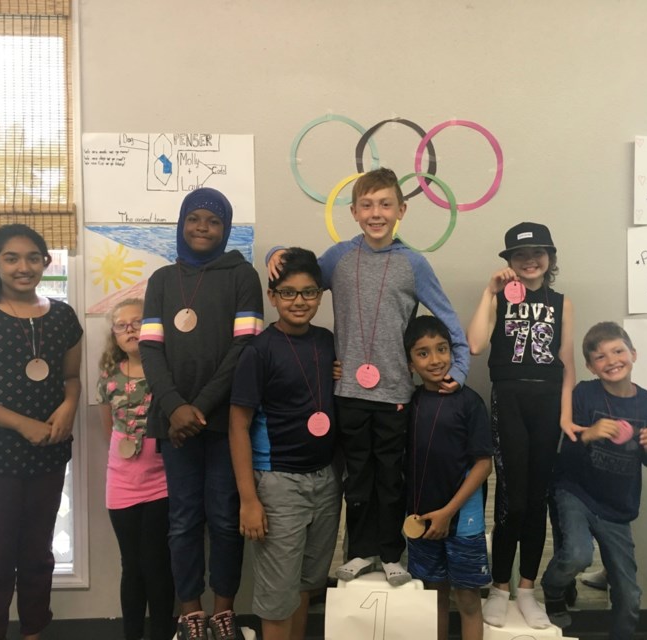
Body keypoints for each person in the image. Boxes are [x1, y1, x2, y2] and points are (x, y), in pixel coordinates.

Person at [267, 168, 470, 586]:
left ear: (401, 209)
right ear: (355, 212)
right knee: (356, 478)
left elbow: (448, 320)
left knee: (390, 478)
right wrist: (275, 251)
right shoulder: (339, 257)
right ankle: (361, 552)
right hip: (348, 392)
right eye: (367, 205)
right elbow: (298, 275)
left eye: (384, 204)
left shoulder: (413, 264)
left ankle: (392, 552)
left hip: (395, 391)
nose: (376, 213)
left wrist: (461, 369)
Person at [140, 187, 264, 640]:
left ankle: (224, 610)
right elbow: (150, 351)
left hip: (225, 421)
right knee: (184, 519)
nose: (202, 228)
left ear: (226, 228)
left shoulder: (242, 276)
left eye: (213, 221)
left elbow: (245, 347)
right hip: (174, 425)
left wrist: (200, 407)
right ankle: (191, 613)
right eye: (194, 219)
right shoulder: (160, 280)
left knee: (225, 515)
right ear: (181, 223)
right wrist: (175, 407)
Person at [0, 224, 83, 640]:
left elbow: (71, 377)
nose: (24, 267)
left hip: (48, 455)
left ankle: (34, 632)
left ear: (46, 263)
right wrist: (21, 424)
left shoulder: (63, 316)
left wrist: (69, 407)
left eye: (33, 257)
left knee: (38, 558)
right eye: (12, 258)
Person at [466, 221, 579, 629]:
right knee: (513, 499)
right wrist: (488, 293)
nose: (530, 261)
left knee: (537, 499)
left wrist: (566, 412)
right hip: (509, 398)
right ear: (510, 260)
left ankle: (527, 589)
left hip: (549, 403)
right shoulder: (500, 298)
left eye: (538, 254)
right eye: (520, 255)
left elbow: (566, 361)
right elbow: (476, 344)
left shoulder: (561, 302)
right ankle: (499, 587)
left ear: (549, 259)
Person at [229, 248, 341, 640]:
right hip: (278, 485)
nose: (299, 301)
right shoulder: (258, 351)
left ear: (320, 295)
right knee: (278, 597)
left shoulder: (327, 343)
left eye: (309, 293)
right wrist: (249, 500)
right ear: (272, 296)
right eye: (289, 293)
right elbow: (237, 427)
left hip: (326, 482)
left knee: (307, 588)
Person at [541, 322, 647, 638]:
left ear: (633, 354)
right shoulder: (582, 394)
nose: (611, 361)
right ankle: (553, 589)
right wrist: (587, 435)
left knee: (630, 594)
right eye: (600, 357)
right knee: (578, 555)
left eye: (618, 351)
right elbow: (560, 457)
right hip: (576, 492)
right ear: (590, 366)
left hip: (618, 506)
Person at [403, 316, 493, 640]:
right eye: (423, 353)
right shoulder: (409, 403)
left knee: (467, 599)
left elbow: (484, 465)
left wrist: (448, 513)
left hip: (462, 522)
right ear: (410, 362)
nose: (436, 359)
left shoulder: (470, 403)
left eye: (442, 349)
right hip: (422, 519)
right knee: (434, 595)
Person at [97, 298, 175, 640]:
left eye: (137, 322)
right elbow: (107, 428)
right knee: (132, 565)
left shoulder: (167, 372)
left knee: (157, 563)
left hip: (163, 480)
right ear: (114, 336)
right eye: (121, 325)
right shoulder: (108, 376)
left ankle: (160, 633)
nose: (130, 330)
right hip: (122, 481)